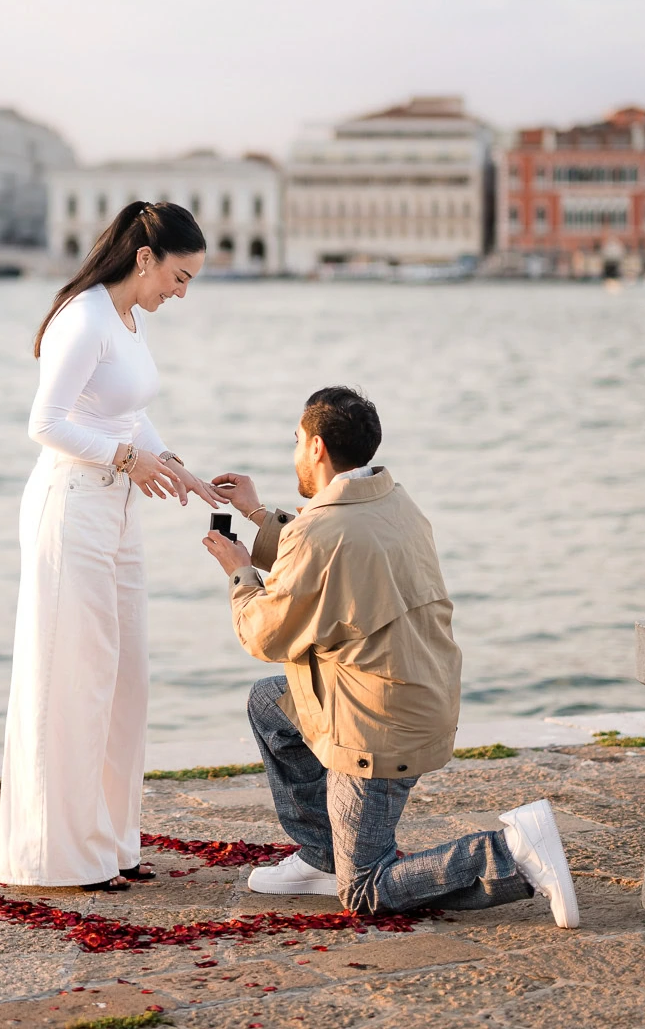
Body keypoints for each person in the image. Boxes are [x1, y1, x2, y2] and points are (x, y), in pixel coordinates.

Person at [203, 386, 580, 926]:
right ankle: (320, 855)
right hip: (417, 696)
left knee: (365, 891)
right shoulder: (391, 499)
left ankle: (512, 853)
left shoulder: (324, 530)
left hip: (375, 727)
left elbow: (265, 635)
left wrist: (239, 571)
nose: (294, 454)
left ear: (315, 447)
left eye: (294, 442)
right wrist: (258, 513)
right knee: (271, 705)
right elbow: (327, 553)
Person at [0, 200, 223, 891]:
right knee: (77, 680)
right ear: (146, 257)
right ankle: (59, 857)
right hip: (73, 509)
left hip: (119, 514)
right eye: (179, 278)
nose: (180, 294)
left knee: (125, 682)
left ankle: (111, 843)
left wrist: (171, 462)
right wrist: (128, 459)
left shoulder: (125, 320)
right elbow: (47, 422)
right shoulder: (86, 316)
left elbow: (127, 410)